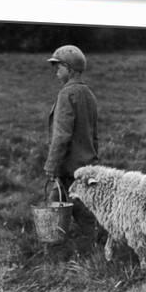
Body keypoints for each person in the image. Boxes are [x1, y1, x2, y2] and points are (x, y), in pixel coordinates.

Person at [44, 45, 99, 243]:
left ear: (70, 68)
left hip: (68, 167)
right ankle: (92, 249)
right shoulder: (88, 94)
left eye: (58, 66)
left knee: (56, 209)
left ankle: (53, 249)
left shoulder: (67, 95)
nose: (55, 70)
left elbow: (61, 136)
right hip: (86, 166)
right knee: (84, 211)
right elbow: (94, 136)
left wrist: (52, 165)